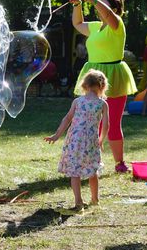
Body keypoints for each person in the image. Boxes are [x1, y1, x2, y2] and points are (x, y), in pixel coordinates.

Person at [69, 0, 137, 173]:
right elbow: (78, 23)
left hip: (113, 76)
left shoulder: (117, 24)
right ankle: (91, 161)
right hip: (93, 76)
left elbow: (108, 15)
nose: (99, 8)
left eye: (103, 4)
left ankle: (119, 163)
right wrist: (77, 5)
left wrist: (93, 0)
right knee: (90, 121)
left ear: (114, 9)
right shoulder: (96, 26)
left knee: (113, 122)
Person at [45, 69, 109, 212]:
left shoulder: (77, 101)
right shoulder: (102, 104)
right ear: (102, 86)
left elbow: (67, 119)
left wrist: (56, 135)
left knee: (75, 172)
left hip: (75, 140)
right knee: (93, 170)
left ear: (84, 85)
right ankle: (95, 199)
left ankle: (78, 201)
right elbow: (106, 125)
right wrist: (101, 139)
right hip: (91, 141)